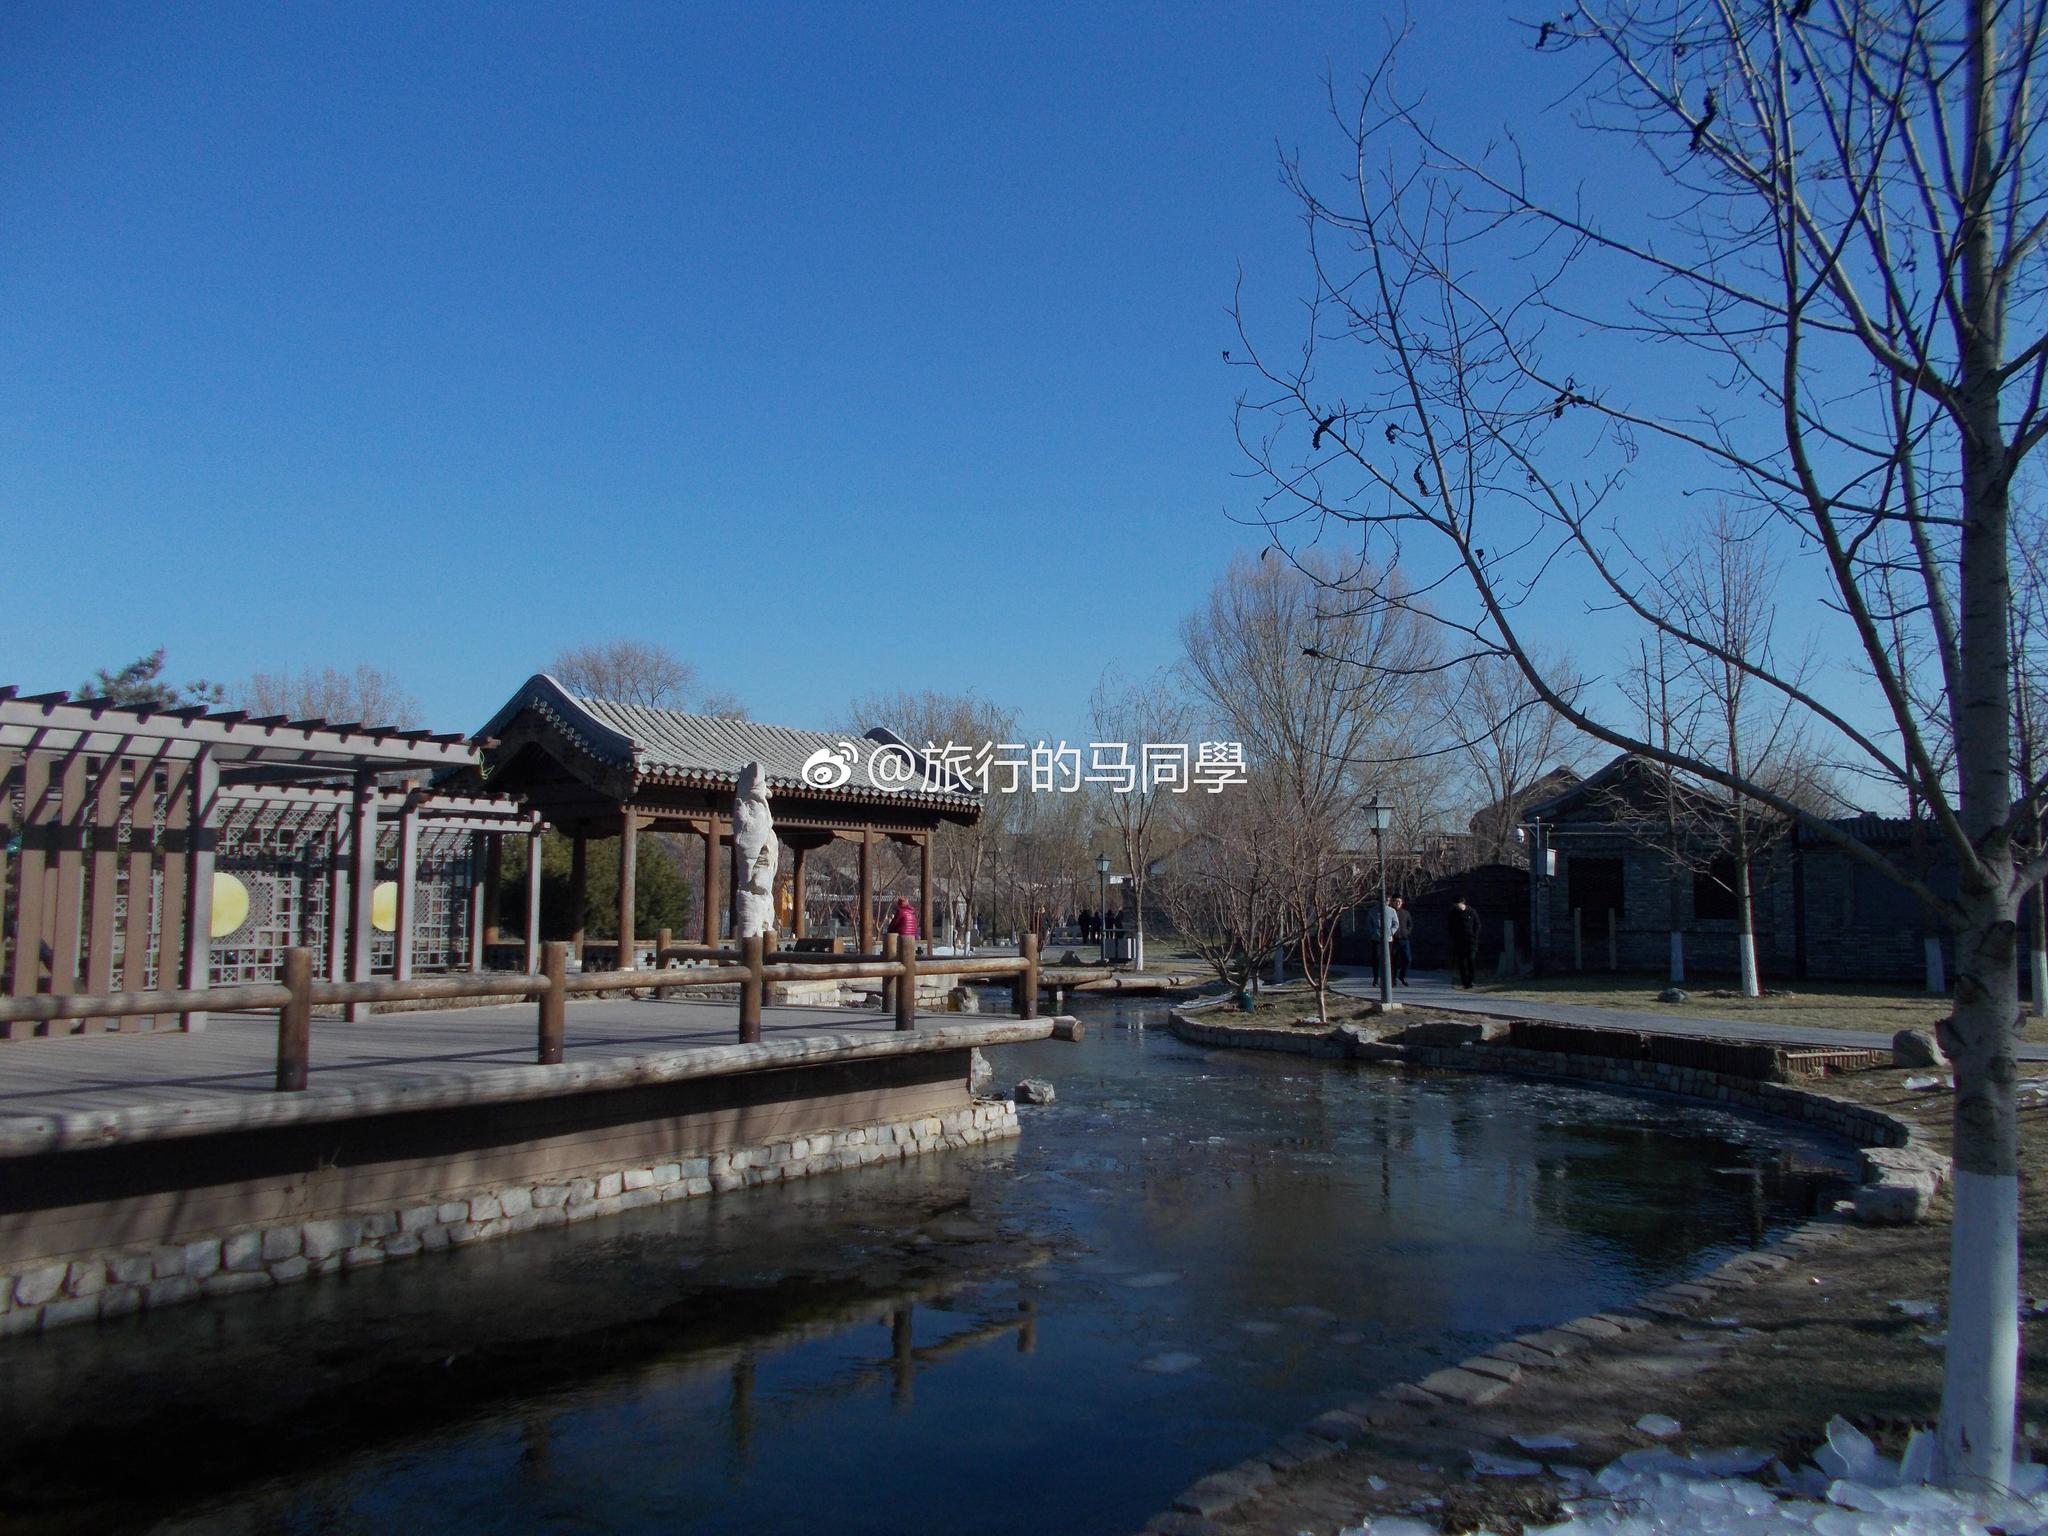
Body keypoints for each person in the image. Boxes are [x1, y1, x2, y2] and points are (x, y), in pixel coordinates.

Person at [1447, 898, 1481, 988]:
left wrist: (1475, 936)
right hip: (1459, 941)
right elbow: (1449, 925)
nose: (1455, 907)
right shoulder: (1453, 913)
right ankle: (1465, 982)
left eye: (1456, 905)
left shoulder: (1471, 912)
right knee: (1461, 963)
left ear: (1461, 903)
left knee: (1471, 960)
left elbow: (1477, 924)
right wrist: (1453, 936)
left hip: (1471, 941)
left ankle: (1471, 980)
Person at [1390, 896, 1413, 986]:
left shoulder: (1406, 913)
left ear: (1402, 902)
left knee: (1407, 959)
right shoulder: (1390, 912)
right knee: (1394, 960)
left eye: (1399, 901)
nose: (1398, 903)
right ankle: (1393, 979)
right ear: (1393, 902)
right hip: (1393, 940)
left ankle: (1402, 975)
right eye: (1396, 901)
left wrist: (1407, 932)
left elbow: (1410, 924)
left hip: (1404, 939)